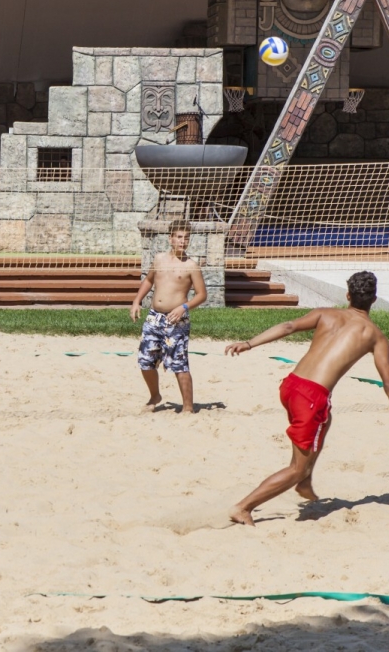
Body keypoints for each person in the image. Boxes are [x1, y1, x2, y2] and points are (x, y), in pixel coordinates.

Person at [225, 271, 389, 527]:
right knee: (296, 467)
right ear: (374, 299)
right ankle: (244, 507)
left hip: (291, 386)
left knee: (326, 419)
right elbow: (387, 381)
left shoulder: (326, 313)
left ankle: (304, 480)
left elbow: (288, 326)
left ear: (347, 295)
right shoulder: (375, 335)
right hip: (312, 398)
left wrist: (249, 343)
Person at [129, 219, 208, 414]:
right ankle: (155, 395)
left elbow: (201, 295)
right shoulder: (159, 259)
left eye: (187, 238)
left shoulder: (191, 266)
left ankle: (188, 407)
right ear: (170, 238)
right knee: (145, 361)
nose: (183, 241)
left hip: (176, 320)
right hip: (154, 317)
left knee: (179, 365)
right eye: (179, 237)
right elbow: (148, 281)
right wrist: (137, 301)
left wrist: (184, 307)